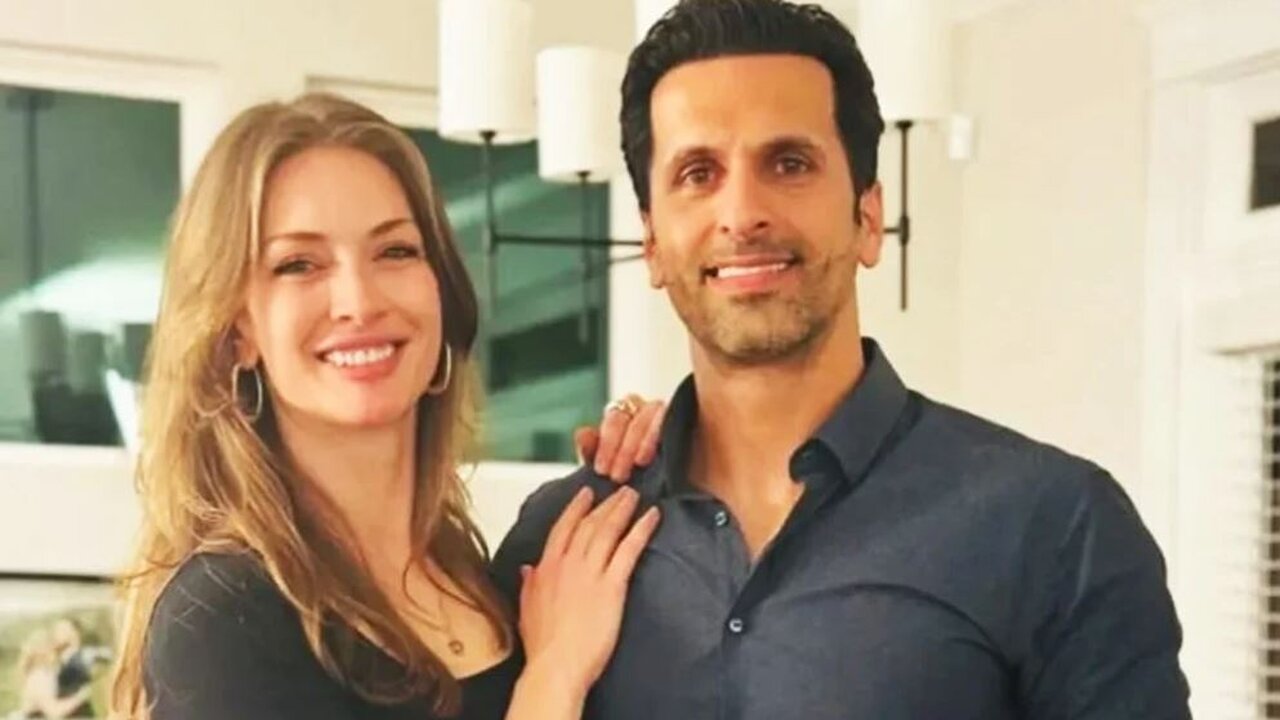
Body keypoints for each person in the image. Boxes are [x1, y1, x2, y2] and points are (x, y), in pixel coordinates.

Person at [492, 1, 1192, 718]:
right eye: (698, 173)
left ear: (868, 217)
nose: (742, 214)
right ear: (650, 244)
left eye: (789, 163)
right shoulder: (560, 540)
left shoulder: (1055, 525)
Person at [107, 93, 665, 720]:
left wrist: (666, 446)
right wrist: (555, 677)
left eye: (395, 251)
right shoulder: (220, 620)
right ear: (239, 331)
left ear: (441, 292)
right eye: (299, 264)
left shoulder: (481, 581)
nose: (360, 301)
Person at [9, 629, 91, 719]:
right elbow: (54, 712)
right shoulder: (39, 677)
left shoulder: (45, 673)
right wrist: (80, 696)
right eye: (55, 649)